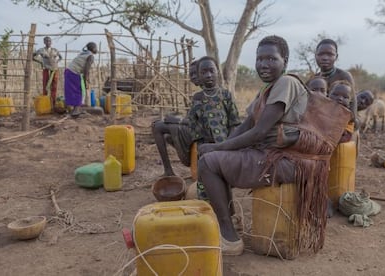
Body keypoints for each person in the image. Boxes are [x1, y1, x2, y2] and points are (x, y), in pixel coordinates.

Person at [197, 35, 351, 256]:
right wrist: (220, 145)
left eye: (271, 58)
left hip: (289, 161)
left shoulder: (286, 83)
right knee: (214, 158)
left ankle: (229, 236)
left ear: (284, 61)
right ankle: (232, 223)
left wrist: (214, 149)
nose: (263, 64)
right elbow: (246, 125)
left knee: (208, 164)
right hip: (274, 155)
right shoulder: (266, 89)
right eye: (260, 59)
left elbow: (258, 132)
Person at [151, 57, 240, 199]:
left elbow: (234, 122)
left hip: (223, 145)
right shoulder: (198, 98)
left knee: (224, 182)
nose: (208, 75)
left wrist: (229, 144)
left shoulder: (225, 95)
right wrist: (201, 142)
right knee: (205, 180)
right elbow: (193, 122)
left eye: (211, 71)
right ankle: (206, 208)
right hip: (205, 146)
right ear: (200, 75)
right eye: (203, 72)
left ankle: (228, 213)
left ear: (217, 71)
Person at [314, 39, 357, 125]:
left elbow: (352, 104)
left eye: (330, 54)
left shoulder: (344, 76)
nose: (325, 58)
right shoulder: (314, 79)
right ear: (316, 56)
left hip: (342, 121)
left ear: (336, 57)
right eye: (321, 54)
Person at [64, 42, 98, 117]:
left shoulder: (84, 53)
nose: (97, 49)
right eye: (96, 47)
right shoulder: (90, 56)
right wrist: (86, 80)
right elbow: (86, 70)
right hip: (73, 72)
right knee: (79, 90)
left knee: (73, 90)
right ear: (92, 48)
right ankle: (76, 110)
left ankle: (75, 109)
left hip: (69, 71)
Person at [33, 36, 62, 107]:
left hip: (55, 70)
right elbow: (32, 56)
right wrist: (40, 62)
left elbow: (60, 57)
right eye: (47, 41)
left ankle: (53, 103)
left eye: (49, 41)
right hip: (46, 69)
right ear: (44, 42)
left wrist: (56, 62)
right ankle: (45, 103)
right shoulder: (41, 50)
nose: (48, 42)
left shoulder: (55, 50)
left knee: (54, 86)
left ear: (51, 42)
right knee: (45, 85)